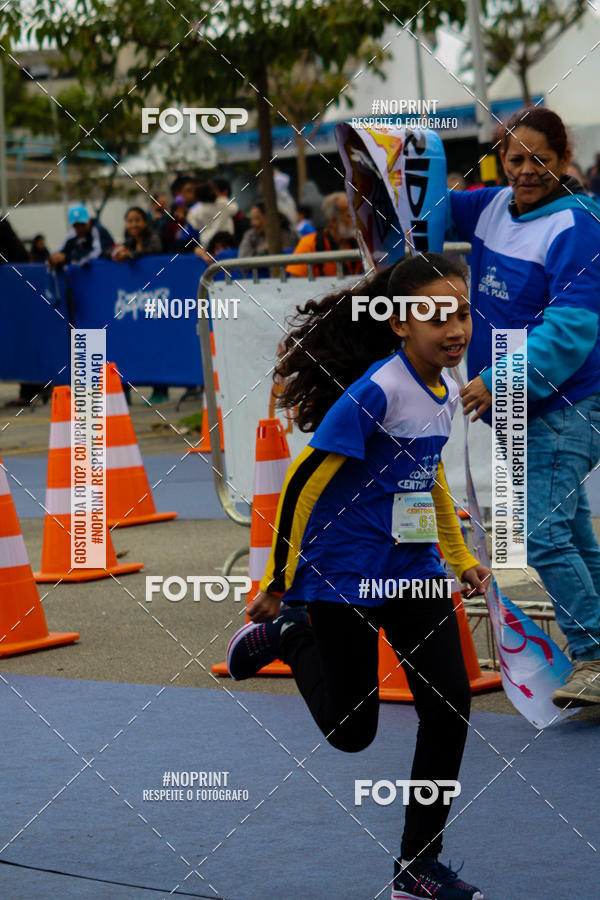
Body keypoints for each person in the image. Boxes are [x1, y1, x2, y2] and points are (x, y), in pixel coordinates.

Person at [227, 253, 488, 900]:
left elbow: (428, 479)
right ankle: (290, 636)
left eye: (461, 313)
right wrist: (279, 582)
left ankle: (417, 867)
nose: (454, 329)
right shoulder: (377, 390)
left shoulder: (445, 391)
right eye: (436, 316)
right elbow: (302, 484)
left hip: (411, 568)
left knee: (450, 706)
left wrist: (459, 559)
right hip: (343, 573)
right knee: (353, 732)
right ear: (400, 324)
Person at [449, 106, 600, 708]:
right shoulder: (491, 205)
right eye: (516, 158)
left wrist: (498, 379)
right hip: (522, 407)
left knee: (539, 533)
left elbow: (570, 330)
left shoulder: (577, 224)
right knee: (570, 533)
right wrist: (382, 161)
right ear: (500, 160)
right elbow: (420, 204)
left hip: (567, 404)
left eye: (542, 159)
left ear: (563, 161)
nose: (527, 170)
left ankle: (593, 655)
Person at [286, 191, 362, 277]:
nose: (355, 221)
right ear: (333, 221)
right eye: (349, 216)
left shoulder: (359, 243)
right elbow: (296, 281)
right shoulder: (309, 244)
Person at [49, 205, 114, 268]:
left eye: (82, 224)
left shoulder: (97, 230)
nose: (80, 228)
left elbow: (96, 254)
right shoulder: (73, 233)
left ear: (88, 220)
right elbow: (60, 251)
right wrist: (54, 259)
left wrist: (68, 258)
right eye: (76, 225)